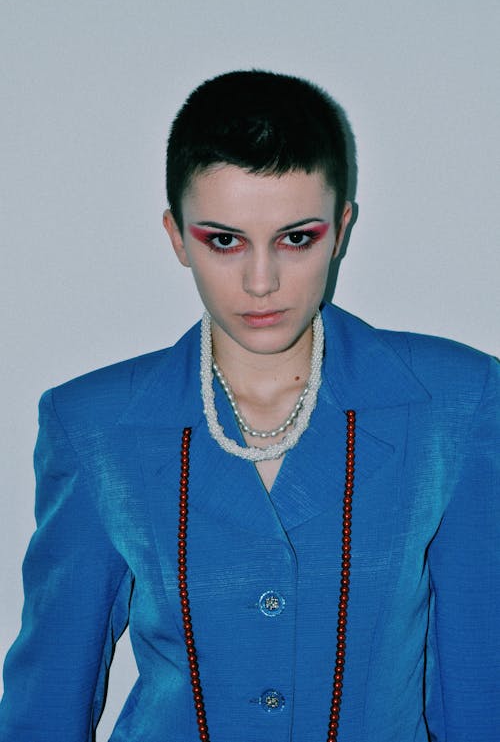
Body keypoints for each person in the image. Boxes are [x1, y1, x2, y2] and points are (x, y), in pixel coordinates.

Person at [0, 70, 498, 742]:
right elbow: (48, 700)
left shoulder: (457, 406)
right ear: (178, 236)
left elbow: (477, 692)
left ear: (340, 228)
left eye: (297, 238)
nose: (261, 281)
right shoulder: (93, 426)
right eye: (224, 240)